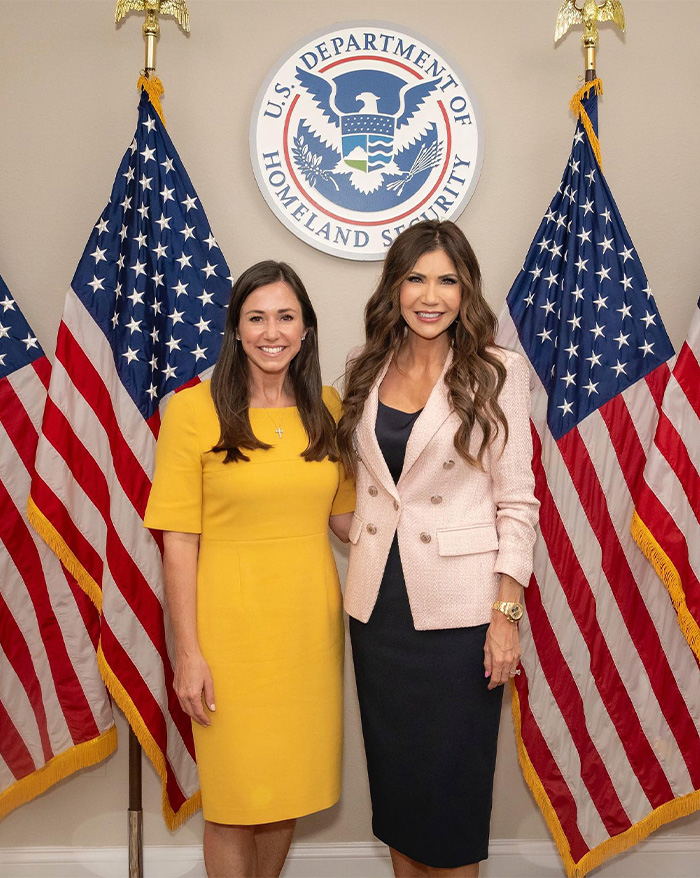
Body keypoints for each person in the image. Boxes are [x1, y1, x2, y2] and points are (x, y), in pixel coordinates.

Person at [337, 220, 539, 878]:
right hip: (378, 616)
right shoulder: (363, 368)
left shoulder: (497, 372)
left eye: (447, 280)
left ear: (466, 290)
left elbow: (517, 504)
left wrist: (506, 623)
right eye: (416, 277)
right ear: (394, 288)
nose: (431, 294)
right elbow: (369, 492)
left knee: (450, 808)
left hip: (462, 619)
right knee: (399, 798)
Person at [143, 261, 355, 878]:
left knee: (283, 791)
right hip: (228, 633)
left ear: (306, 328)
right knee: (234, 803)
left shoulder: (328, 408)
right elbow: (178, 539)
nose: (272, 331)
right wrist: (188, 652)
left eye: (286, 317)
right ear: (235, 329)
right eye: (256, 317)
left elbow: (347, 522)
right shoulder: (191, 411)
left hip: (307, 632)